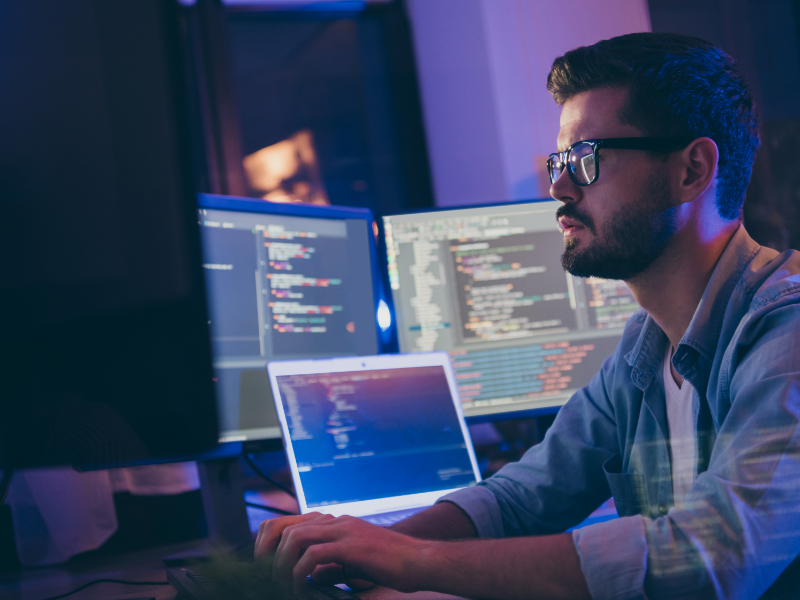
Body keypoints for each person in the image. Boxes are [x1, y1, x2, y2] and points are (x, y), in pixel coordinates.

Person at [255, 33, 800, 599]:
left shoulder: (786, 331)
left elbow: (713, 557)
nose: (560, 188)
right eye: (558, 162)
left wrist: (412, 561)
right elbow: (521, 498)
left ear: (691, 171)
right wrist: (355, 554)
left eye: (586, 161)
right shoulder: (646, 349)